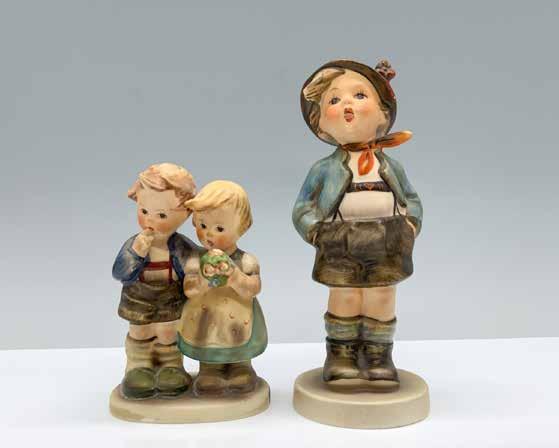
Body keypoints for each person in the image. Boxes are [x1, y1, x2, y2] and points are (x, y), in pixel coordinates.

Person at [292, 59, 423, 391]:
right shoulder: (324, 168)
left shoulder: (390, 165)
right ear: (321, 124)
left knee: (382, 296)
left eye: (359, 95)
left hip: (387, 239)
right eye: (334, 100)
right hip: (340, 240)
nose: (347, 104)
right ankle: (342, 355)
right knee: (346, 296)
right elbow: (303, 207)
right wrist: (316, 232)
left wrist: (410, 225)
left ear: (383, 113)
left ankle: (379, 356)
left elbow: (411, 198)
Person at [112, 163, 198, 399]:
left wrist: (197, 268)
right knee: (140, 331)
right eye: (144, 211)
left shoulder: (179, 245)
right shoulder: (135, 244)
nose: (150, 220)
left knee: (169, 333)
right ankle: (139, 367)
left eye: (161, 215)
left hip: (170, 298)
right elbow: (119, 272)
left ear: (186, 214)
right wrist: (136, 254)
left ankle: (171, 368)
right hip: (138, 298)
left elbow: (195, 261)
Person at [178, 180, 268, 396]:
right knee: (208, 345)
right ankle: (210, 371)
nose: (208, 234)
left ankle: (241, 368)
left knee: (240, 346)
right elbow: (189, 289)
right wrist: (203, 280)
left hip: (239, 318)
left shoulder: (246, 261)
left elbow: (254, 288)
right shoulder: (194, 260)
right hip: (205, 318)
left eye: (219, 228)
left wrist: (235, 277)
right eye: (202, 226)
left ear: (241, 228)